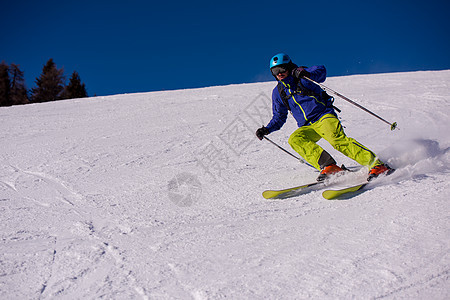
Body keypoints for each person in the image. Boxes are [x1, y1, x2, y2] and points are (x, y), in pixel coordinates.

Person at [256, 53, 393, 181]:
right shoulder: (278, 92)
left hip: (323, 117)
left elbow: (321, 70)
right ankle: (329, 166)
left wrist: (305, 73)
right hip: (307, 126)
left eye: (281, 68)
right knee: (295, 139)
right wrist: (267, 129)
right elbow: (279, 117)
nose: (279, 73)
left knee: (337, 141)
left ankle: (376, 164)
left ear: (289, 67)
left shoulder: (303, 77)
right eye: (275, 71)